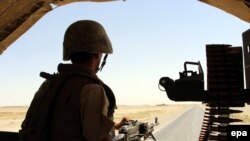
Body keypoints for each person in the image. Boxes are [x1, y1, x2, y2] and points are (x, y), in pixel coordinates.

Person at [41, 20, 126, 141]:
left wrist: (114, 125)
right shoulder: (92, 90)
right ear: (97, 54)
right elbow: (99, 138)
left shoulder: (51, 83)